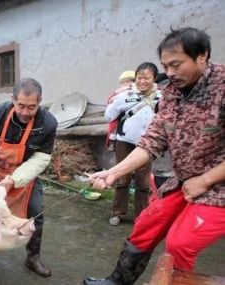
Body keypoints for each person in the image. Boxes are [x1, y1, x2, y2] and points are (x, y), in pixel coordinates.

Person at [84, 27, 225, 285]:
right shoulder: (171, 92)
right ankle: (118, 281)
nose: (169, 72)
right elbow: (153, 139)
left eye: (176, 64)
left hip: (219, 186)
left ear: (202, 56)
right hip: (184, 180)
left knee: (180, 243)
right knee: (146, 224)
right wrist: (113, 172)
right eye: (165, 66)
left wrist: (204, 181)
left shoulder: (223, 86)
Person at [0, 78, 58, 277]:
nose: (25, 112)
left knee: (36, 213)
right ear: (13, 100)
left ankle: (32, 257)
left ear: (40, 101)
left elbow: (41, 159)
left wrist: (12, 181)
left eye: (32, 107)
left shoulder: (48, 123)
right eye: (21, 106)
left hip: (24, 174)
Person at [105, 62, 162, 226]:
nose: (142, 81)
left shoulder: (162, 98)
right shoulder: (125, 95)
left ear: (154, 78)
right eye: (139, 78)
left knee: (143, 183)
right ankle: (117, 213)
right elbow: (109, 116)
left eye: (147, 78)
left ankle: (141, 216)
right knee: (122, 178)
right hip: (124, 143)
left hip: (147, 146)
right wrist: (115, 101)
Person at [105, 70, 136, 151]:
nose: (126, 84)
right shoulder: (119, 93)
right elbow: (110, 103)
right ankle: (113, 140)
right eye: (124, 82)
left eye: (129, 81)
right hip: (121, 120)